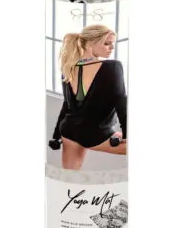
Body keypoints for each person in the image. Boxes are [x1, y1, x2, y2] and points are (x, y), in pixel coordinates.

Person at [48, 24, 127, 170]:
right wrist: (126, 134)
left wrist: (56, 136)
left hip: (69, 130)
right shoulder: (113, 67)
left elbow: (67, 105)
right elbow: (121, 101)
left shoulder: (68, 68)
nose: (111, 48)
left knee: (70, 176)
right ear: (91, 43)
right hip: (96, 134)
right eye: (107, 43)